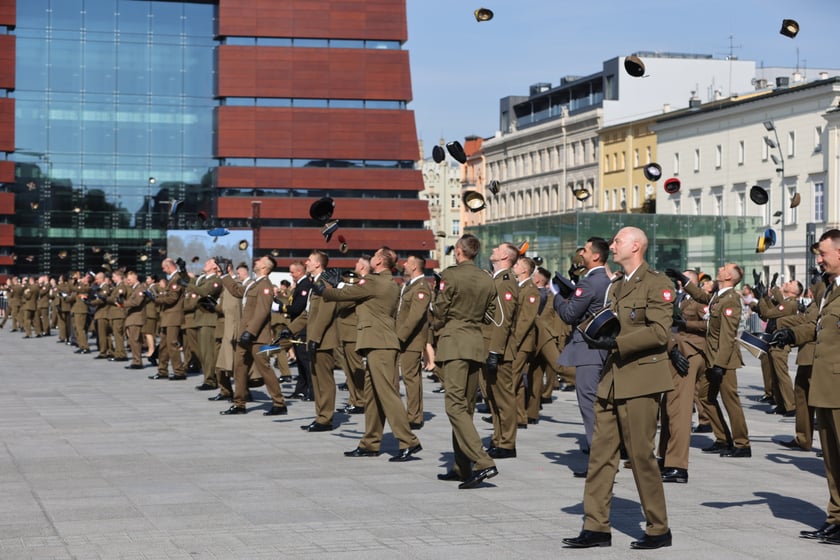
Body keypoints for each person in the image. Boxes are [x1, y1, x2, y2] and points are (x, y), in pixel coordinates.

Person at [563, 226, 674, 550]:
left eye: (618, 241)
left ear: (636, 246)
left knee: (641, 456)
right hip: (611, 380)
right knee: (600, 455)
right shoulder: (617, 286)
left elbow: (659, 333)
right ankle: (596, 525)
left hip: (641, 380)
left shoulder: (657, 283)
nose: (612, 245)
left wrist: (617, 342)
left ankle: (658, 527)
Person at [318, 246, 422, 461]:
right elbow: (354, 291)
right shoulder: (389, 283)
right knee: (373, 395)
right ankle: (370, 442)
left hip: (379, 343)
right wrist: (343, 282)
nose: (372, 257)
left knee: (386, 394)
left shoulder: (374, 282)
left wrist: (324, 287)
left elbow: (344, 294)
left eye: (375, 255)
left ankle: (408, 441)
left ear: (379, 262)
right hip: (379, 342)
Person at [771, 229, 840, 545]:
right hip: (825, 387)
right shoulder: (829, 289)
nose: (819, 259)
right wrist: (792, 336)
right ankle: (836, 517)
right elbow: (818, 327)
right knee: (831, 457)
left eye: (824, 253)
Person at [433, 234, 499, 489]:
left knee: (455, 406)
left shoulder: (451, 275)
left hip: (455, 343)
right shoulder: (486, 278)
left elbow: (440, 310)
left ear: (459, 251)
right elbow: (491, 314)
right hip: (475, 344)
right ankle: (462, 466)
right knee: (466, 407)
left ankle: (483, 462)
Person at [677, 263, 751, 458]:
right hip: (712, 358)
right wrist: (685, 281)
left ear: (729, 276)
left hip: (723, 360)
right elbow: (702, 297)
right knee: (705, 397)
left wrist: (719, 364)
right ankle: (722, 439)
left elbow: (727, 336)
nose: (720, 268)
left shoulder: (732, 299)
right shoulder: (719, 296)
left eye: (724, 267)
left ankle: (742, 444)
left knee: (730, 401)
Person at [554, 236, 611, 469]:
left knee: (589, 403)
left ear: (596, 256)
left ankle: (598, 459)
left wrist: (557, 294)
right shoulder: (606, 280)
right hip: (603, 347)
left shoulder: (589, 283)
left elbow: (569, 314)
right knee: (601, 403)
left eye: (586, 250)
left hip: (589, 348)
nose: (582, 254)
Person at [219, 255, 287, 416]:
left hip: (257, 337)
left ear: (265, 267)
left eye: (259, 261)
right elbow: (237, 291)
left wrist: (250, 332)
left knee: (265, 369)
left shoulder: (265, 285)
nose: (255, 262)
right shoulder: (254, 284)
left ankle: (279, 403)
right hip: (245, 335)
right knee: (239, 368)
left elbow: (262, 312)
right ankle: (239, 404)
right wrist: (224, 275)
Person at [658, 269, 707, 484]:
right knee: (669, 407)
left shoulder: (699, 300)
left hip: (691, 352)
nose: (681, 282)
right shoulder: (679, 298)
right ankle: (665, 456)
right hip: (675, 350)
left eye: (685, 279)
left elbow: (710, 325)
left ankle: (677, 465)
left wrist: (685, 324)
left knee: (680, 410)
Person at [483, 242, 520, 459]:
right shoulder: (496, 279)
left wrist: (495, 351)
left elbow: (502, 320)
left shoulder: (506, 282)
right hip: (489, 345)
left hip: (500, 349)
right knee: (493, 398)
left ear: (505, 256)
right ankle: (498, 438)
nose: (494, 250)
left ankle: (507, 443)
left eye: (498, 249)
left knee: (504, 398)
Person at [397, 254, 432, 429]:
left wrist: (400, 336)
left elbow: (415, 317)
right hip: (405, 338)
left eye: (407, 262)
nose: (404, 264)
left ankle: (414, 417)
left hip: (411, 339)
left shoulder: (421, 287)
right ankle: (413, 413)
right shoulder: (410, 285)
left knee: (411, 378)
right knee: (410, 377)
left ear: (415, 267)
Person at [148, 258, 186, 380]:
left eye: (164, 268)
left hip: (173, 316)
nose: (164, 270)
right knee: (163, 345)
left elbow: (172, 298)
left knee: (172, 344)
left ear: (169, 266)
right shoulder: (172, 280)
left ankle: (179, 371)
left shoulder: (176, 279)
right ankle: (162, 370)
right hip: (167, 316)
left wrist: (156, 299)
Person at [122, 270, 147, 370]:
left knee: (134, 340)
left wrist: (124, 304)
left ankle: (137, 361)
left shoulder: (140, 288)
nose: (128, 282)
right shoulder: (134, 289)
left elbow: (137, 302)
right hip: (132, 317)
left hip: (136, 318)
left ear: (134, 277)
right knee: (133, 340)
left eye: (129, 279)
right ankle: (136, 360)